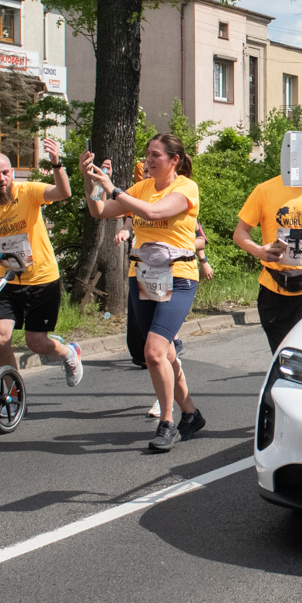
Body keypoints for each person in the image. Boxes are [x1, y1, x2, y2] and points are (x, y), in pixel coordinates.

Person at [80, 134, 205, 451]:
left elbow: (153, 213)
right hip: (145, 277)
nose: (148, 160)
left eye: (155, 155)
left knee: (153, 352)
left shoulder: (186, 188)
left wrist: (114, 188)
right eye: (147, 154)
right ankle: (191, 414)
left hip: (179, 277)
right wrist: (92, 181)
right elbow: (99, 211)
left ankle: (167, 422)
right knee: (167, 354)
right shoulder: (142, 188)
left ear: (174, 160)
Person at [0, 139, 84, 386]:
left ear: (12, 172)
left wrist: (56, 163)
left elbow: (63, 193)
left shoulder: (27, 191)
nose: (2, 179)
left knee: (35, 342)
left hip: (42, 278)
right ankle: (13, 394)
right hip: (8, 279)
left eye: (5, 173)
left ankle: (69, 352)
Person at [233, 172, 302, 350]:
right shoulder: (264, 190)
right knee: (281, 355)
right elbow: (240, 233)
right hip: (273, 287)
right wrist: (258, 251)